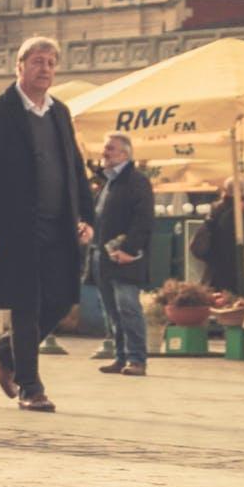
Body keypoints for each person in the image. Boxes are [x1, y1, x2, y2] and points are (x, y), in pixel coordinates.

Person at [0, 35, 92, 412]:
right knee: (26, 305)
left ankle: (5, 351)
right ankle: (30, 387)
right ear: (19, 66)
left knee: (61, 298)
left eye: (51, 62)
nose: (45, 69)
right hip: (14, 228)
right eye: (37, 61)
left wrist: (86, 216)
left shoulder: (59, 113)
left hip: (59, 225)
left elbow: (75, 169)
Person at [92, 134, 154, 378]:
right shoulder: (108, 183)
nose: (104, 152)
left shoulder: (137, 181)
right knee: (112, 311)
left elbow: (144, 220)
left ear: (124, 154)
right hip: (103, 256)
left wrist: (129, 249)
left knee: (128, 308)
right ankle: (121, 357)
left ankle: (137, 359)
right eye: (105, 147)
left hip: (126, 257)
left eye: (110, 148)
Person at [198, 179, 244, 294]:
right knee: (231, 296)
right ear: (241, 192)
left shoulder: (215, 208)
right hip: (232, 261)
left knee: (212, 292)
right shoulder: (241, 212)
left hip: (213, 259)